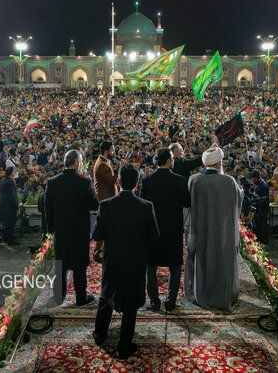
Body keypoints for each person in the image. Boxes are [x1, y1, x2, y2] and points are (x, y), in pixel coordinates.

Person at [92, 164, 159, 359]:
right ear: (137, 183)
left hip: (112, 261)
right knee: (130, 307)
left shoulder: (105, 205)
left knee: (106, 298)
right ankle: (123, 347)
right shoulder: (146, 206)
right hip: (135, 263)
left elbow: (97, 234)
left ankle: (99, 335)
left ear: (119, 181)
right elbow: (154, 236)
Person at [185, 146, 243, 312]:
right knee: (221, 262)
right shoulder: (229, 181)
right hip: (223, 232)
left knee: (202, 260)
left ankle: (201, 293)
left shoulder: (194, 180)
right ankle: (223, 294)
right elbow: (238, 202)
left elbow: (188, 209)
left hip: (201, 229)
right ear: (219, 163)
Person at [45, 150, 99, 306]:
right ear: (76, 162)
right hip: (79, 231)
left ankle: (58, 297)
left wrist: (51, 229)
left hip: (60, 230)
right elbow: (94, 205)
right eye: (81, 161)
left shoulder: (52, 182)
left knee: (60, 265)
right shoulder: (84, 182)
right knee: (79, 266)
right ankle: (81, 298)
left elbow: (48, 208)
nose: (81, 164)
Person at [140, 148, 191, 311]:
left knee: (151, 266)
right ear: (169, 161)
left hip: (152, 229)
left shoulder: (147, 181)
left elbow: (142, 204)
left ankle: (154, 302)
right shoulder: (180, 180)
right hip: (173, 229)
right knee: (175, 266)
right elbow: (187, 203)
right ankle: (170, 302)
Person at [92, 141, 119, 262]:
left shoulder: (103, 161)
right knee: (103, 226)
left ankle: (102, 251)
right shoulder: (102, 164)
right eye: (112, 150)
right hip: (105, 198)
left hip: (108, 197)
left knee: (107, 226)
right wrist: (120, 168)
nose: (114, 152)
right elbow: (111, 180)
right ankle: (97, 253)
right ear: (106, 151)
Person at [0, 167, 20, 245]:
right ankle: (10, 240)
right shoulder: (10, 182)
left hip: (4, 205)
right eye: (14, 171)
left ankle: (8, 237)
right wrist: (17, 208)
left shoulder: (3, 180)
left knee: (7, 224)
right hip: (10, 207)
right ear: (12, 173)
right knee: (10, 224)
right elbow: (13, 196)